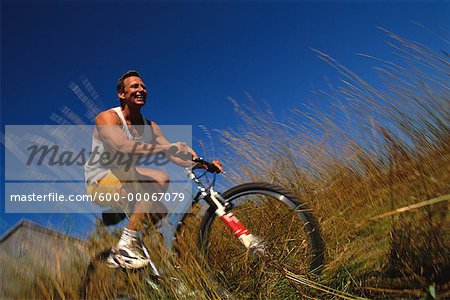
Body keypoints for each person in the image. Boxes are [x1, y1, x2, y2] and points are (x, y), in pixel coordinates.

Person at [85, 70, 222, 269]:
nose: (141, 90)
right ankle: (124, 247)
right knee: (160, 179)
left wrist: (203, 164)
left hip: (126, 178)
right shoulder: (107, 118)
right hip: (99, 182)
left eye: (143, 87)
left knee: (161, 211)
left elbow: (173, 154)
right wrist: (169, 147)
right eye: (135, 86)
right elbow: (122, 146)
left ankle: (138, 248)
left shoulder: (150, 126)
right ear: (121, 94)